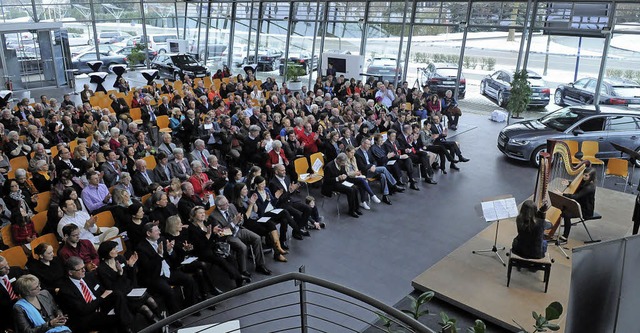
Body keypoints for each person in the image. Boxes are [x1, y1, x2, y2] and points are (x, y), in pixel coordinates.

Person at [56, 256, 135, 333]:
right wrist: (100, 299)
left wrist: (100, 300)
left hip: (99, 305)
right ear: (70, 272)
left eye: (84, 267)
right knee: (118, 317)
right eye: (80, 269)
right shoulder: (66, 290)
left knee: (118, 295)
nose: (84, 270)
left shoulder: (89, 276)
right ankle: (127, 328)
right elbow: (83, 310)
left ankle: (127, 325)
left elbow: (101, 291)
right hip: (86, 316)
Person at [96, 241, 162, 325]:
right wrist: (119, 274)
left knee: (151, 301)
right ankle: (159, 325)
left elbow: (131, 276)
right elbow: (111, 287)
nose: (117, 250)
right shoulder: (102, 269)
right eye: (113, 249)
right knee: (145, 309)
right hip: (123, 296)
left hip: (131, 288)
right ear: (107, 252)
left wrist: (130, 266)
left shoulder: (120, 258)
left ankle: (162, 318)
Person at [208, 195, 272, 276]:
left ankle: (260, 265)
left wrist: (240, 221)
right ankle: (243, 271)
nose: (228, 205)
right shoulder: (213, 216)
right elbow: (221, 233)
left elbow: (240, 221)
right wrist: (233, 223)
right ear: (219, 207)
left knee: (257, 238)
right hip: (228, 236)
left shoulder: (231, 206)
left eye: (227, 202)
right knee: (243, 247)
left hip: (239, 230)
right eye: (225, 204)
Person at [559, 167, 597, 242]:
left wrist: (562, 194)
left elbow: (576, 196)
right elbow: (578, 185)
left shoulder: (590, 187)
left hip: (585, 210)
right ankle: (567, 225)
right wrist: (569, 183)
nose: (584, 177)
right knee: (563, 208)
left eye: (586, 176)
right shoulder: (585, 181)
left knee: (566, 214)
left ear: (591, 177)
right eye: (584, 175)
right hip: (579, 205)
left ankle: (565, 236)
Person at [321, 153, 362, 218]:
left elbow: (345, 173)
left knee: (355, 188)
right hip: (332, 184)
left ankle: (356, 208)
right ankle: (351, 211)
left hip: (341, 182)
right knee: (350, 190)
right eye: (343, 163)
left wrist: (344, 176)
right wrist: (337, 178)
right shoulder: (329, 167)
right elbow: (326, 180)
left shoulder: (342, 164)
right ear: (338, 160)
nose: (344, 165)